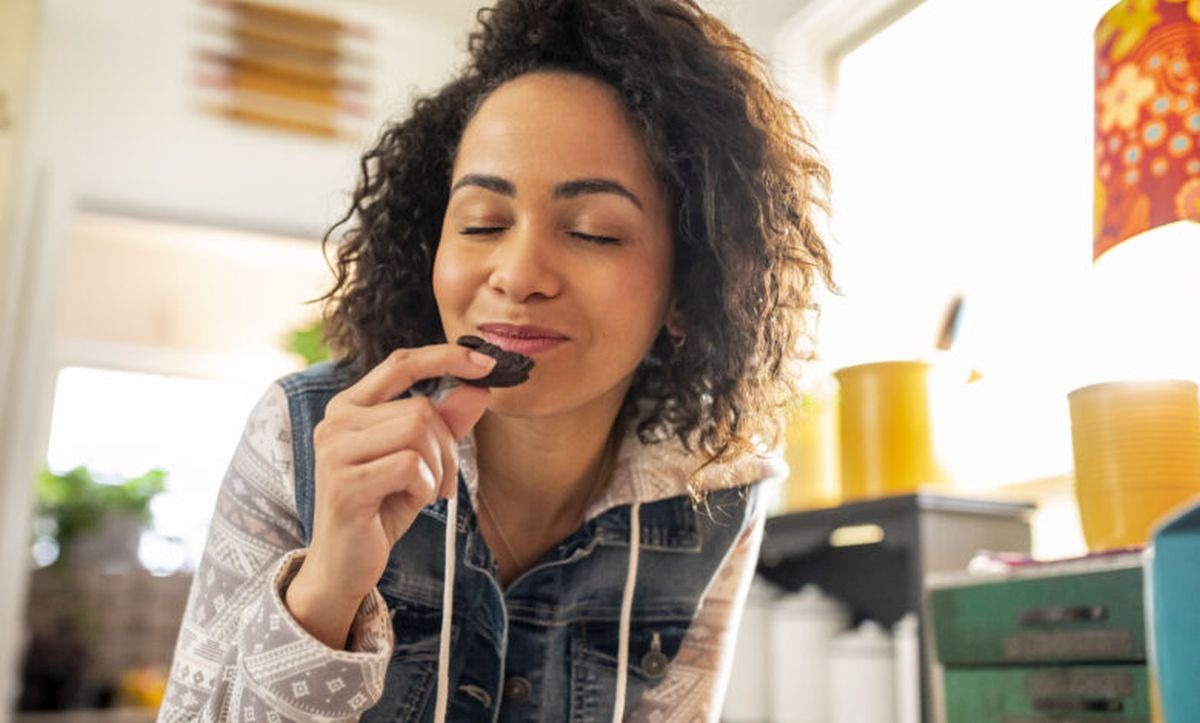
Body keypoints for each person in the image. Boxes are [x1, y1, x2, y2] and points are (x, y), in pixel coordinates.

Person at [159, 0, 833, 720]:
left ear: (687, 285)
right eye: (483, 222)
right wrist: (326, 590)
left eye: (595, 232)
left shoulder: (714, 490)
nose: (517, 274)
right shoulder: (301, 436)